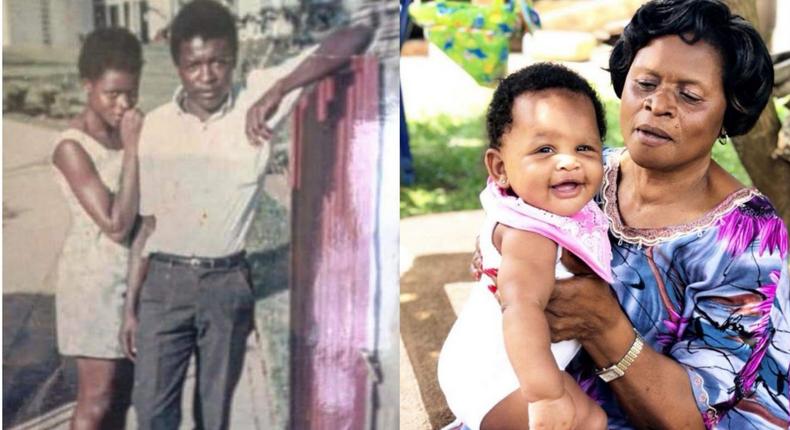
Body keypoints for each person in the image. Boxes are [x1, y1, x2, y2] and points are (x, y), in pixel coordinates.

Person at [472, 0, 789, 428]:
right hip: (566, 398)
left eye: (689, 95)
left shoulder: (748, 239)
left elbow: (691, 418)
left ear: (727, 117)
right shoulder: (580, 172)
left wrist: (604, 326)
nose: (657, 105)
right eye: (645, 83)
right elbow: (507, 227)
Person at [118, 1, 373, 428]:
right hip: (163, 286)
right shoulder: (158, 125)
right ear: (178, 65)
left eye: (219, 61)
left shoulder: (257, 96)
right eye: (194, 64)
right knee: (152, 415)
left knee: (213, 414)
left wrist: (279, 89)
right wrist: (130, 307)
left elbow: (356, 35)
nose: (207, 75)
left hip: (226, 284)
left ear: (234, 59)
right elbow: (148, 226)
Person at [438, 63, 611, 430]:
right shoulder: (531, 235)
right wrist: (546, 397)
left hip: (506, 367)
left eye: (584, 147)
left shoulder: (538, 210)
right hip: (500, 376)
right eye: (545, 149)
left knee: (590, 417)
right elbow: (521, 308)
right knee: (587, 422)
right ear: (500, 167)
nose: (568, 161)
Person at [51, 27, 144, 429]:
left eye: (131, 93)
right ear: (87, 86)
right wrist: (136, 148)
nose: (123, 104)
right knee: (96, 398)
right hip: (93, 285)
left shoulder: (123, 135)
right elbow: (116, 224)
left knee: (123, 395)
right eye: (112, 94)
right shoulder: (71, 148)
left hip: (132, 280)